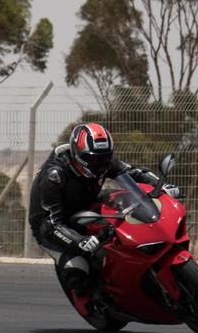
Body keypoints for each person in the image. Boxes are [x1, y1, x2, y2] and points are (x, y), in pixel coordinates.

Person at [27, 123, 158, 298]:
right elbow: (51, 224)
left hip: (86, 205)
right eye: (93, 160)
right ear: (77, 154)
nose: (99, 164)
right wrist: (79, 240)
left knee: (123, 202)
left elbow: (134, 173)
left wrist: (162, 185)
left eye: (105, 158)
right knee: (77, 270)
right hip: (51, 225)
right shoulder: (55, 175)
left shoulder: (104, 160)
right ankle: (92, 299)